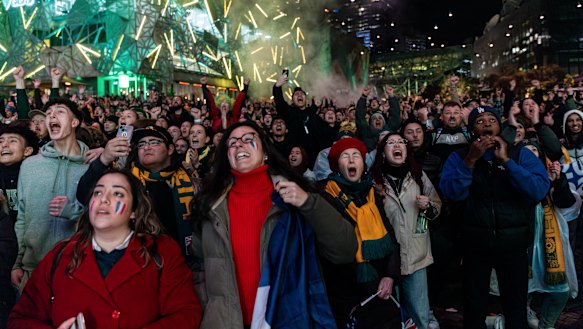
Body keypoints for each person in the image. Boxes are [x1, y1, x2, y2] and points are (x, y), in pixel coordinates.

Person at [191, 121, 357, 328]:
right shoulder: (209, 206)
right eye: (232, 143)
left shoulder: (298, 195)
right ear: (227, 156)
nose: (239, 145)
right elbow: (198, 264)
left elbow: (345, 250)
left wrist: (309, 204)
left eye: (248, 139)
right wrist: (210, 309)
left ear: (266, 152)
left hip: (287, 319)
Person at [9, 170, 202, 328]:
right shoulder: (60, 254)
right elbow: (21, 318)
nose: (104, 199)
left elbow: (186, 314)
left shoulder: (161, 252)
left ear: (134, 211)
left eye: (117, 193)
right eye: (98, 192)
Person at [440, 106, 550, 329]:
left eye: (492, 119)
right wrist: (470, 161)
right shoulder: (459, 156)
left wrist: (507, 162)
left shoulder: (520, 153)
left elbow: (538, 190)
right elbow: (452, 193)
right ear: (472, 131)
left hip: (514, 245)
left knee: (515, 307)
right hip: (474, 245)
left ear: (500, 126)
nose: (487, 124)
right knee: (474, 306)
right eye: (480, 121)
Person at [11, 98, 90, 293]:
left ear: (74, 122)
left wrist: (75, 212)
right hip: (33, 269)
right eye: (48, 114)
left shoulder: (90, 167)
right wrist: (17, 262)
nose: (52, 116)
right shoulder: (30, 165)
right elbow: (22, 216)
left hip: (78, 267)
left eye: (60, 111)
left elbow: (105, 217)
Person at [322, 137, 400, 328]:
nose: (351, 160)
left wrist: (389, 276)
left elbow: (390, 238)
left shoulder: (372, 195)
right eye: (345, 156)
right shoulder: (325, 197)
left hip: (379, 286)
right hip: (344, 291)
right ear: (336, 166)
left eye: (356, 155)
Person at [371, 133, 442, 329]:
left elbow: (436, 207)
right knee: (392, 316)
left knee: (419, 315)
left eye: (401, 142)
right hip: (387, 260)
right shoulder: (374, 181)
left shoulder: (418, 175)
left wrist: (428, 206)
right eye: (391, 143)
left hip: (416, 255)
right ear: (383, 152)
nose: (397, 146)